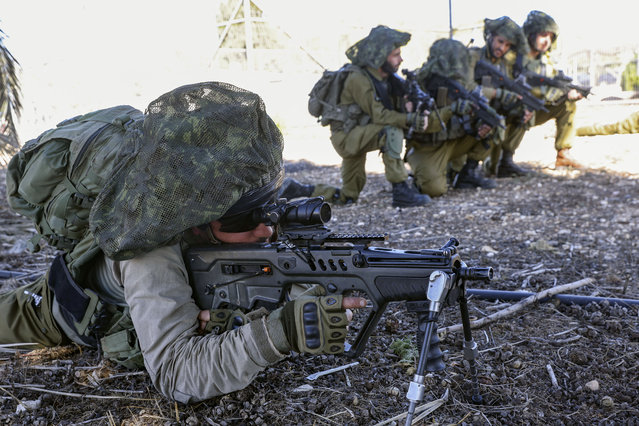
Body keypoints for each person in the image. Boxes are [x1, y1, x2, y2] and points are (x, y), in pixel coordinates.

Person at [0, 82, 366, 403]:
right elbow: (177, 374)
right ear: (198, 218)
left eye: (270, 207)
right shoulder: (149, 250)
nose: (266, 230)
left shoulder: (236, 210)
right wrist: (280, 332)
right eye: (245, 219)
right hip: (59, 310)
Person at [328, 25, 431, 207]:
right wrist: (409, 119)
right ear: (381, 56)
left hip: (359, 133)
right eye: (395, 54)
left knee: (348, 196)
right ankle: (400, 191)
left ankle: (298, 189)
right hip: (346, 138)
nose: (401, 59)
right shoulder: (358, 78)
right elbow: (380, 115)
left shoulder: (384, 77)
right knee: (391, 130)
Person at [492, 11, 585, 175]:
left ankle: (563, 154)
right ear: (531, 34)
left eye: (550, 37)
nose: (546, 41)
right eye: (543, 35)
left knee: (567, 103)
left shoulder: (545, 60)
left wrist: (567, 92)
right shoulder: (512, 56)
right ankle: (501, 160)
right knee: (523, 106)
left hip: (534, 108)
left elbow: (550, 84)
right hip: (507, 110)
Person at [405, 38, 500, 197]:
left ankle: (466, 174)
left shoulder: (462, 84)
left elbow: (481, 107)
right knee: (435, 190)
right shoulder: (419, 85)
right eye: (451, 61)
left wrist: (482, 124)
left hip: (453, 143)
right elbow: (419, 125)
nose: (456, 67)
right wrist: (451, 110)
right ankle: (423, 176)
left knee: (493, 125)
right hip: (426, 147)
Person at [450, 16, 532, 180]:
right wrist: (497, 94)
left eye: (508, 45)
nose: (502, 48)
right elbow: (465, 87)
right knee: (446, 176)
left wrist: (523, 105)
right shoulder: (473, 56)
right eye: (500, 41)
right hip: (466, 114)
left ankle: (503, 162)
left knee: (525, 109)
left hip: (489, 112)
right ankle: (463, 168)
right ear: (490, 36)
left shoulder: (504, 65)